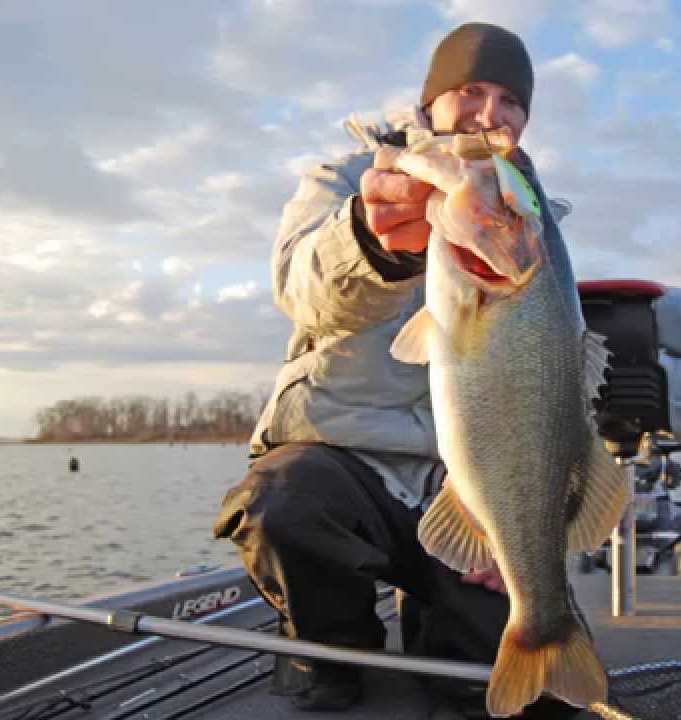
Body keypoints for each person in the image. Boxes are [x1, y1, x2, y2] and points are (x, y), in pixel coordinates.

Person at [212, 22, 580, 719]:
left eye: (511, 102)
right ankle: (331, 652)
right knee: (284, 503)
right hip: (342, 458)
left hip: (460, 482)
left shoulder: (524, 211)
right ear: (431, 99)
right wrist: (375, 243)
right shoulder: (349, 177)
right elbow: (300, 286)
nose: (489, 114)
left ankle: (449, 632)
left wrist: (522, 527)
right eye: (471, 90)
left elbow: (548, 381)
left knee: (522, 689)